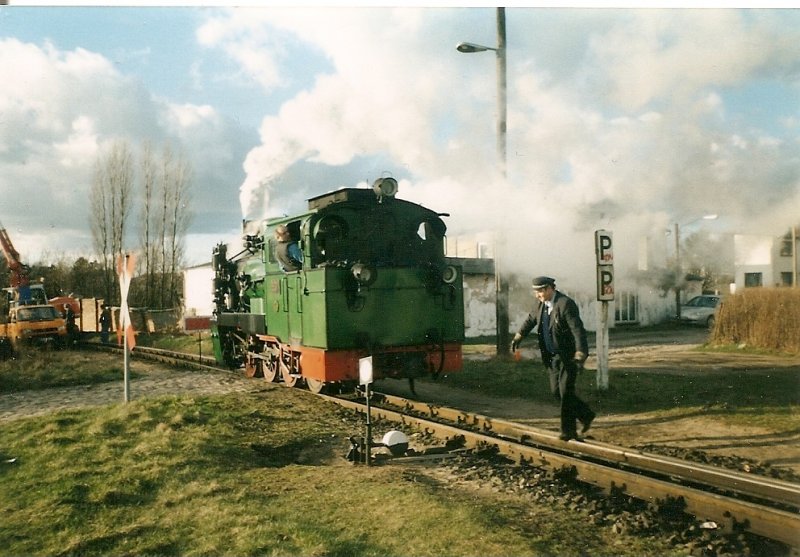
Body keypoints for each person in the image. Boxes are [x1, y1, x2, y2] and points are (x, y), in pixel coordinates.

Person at [511, 276, 595, 441]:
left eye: (540, 291)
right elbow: (530, 320)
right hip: (551, 357)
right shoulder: (541, 305)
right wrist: (519, 336)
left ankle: (568, 431)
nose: (537, 295)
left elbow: (577, 329)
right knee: (556, 391)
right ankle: (586, 414)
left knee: (565, 392)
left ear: (550, 288)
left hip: (568, 357)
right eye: (536, 292)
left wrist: (580, 352)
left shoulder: (565, 304)